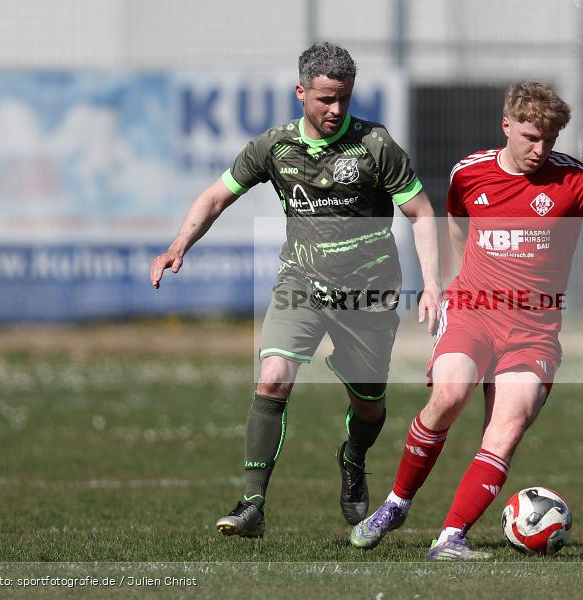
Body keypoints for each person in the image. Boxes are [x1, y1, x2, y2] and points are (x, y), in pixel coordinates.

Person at [151, 42, 440, 538]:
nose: (335, 109)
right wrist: (180, 243)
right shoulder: (274, 146)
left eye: (344, 99)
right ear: (300, 92)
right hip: (301, 283)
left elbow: (421, 212)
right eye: (325, 98)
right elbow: (217, 196)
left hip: (368, 295)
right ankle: (251, 505)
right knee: (273, 377)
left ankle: (352, 460)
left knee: (368, 405)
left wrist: (432, 284)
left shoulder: (375, 146)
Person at [350, 81, 583, 560]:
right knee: (447, 399)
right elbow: (456, 224)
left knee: (504, 430)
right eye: (530, 137)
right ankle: (396, 503)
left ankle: (450, 538)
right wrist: (450, 286)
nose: (540, 149)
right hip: (473, 312)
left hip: (535, 330)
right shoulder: (470, 173)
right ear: (506, 125)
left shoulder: (574, 179)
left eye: (549, 140)